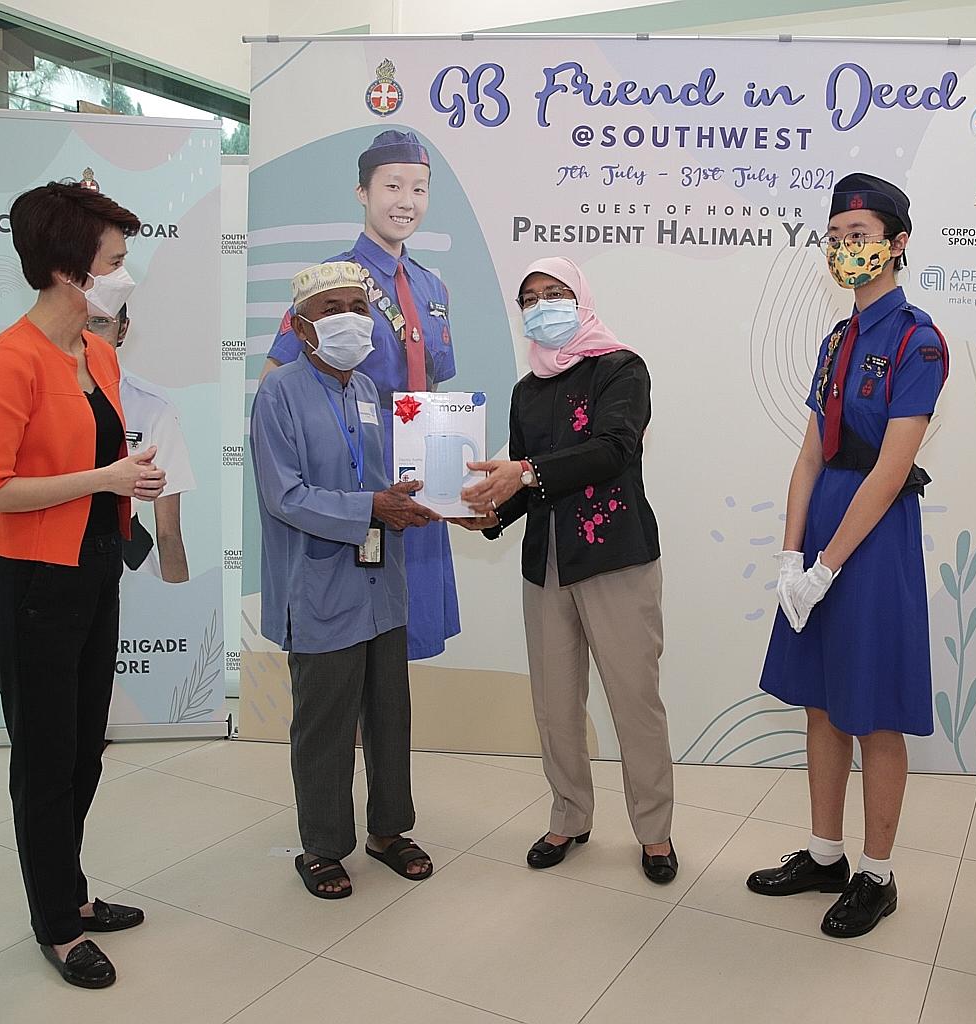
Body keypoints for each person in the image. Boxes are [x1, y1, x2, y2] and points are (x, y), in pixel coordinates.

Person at [0, 182, 165, 989]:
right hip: (30, 587)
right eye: (115, 261)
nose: (125, 273)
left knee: (84, 751)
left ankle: (70, 894)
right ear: (67, 270)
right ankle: (56, 924)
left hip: (92, 574)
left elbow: (104, 461)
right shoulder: (10, 358)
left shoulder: (102, 353)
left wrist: (127, 482)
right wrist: (104, 476)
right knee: (45, 762)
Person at [744, 174, 948, 939]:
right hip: (824, 521)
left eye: (859, 236)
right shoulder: (837, 338)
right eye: (835, 238)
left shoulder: (916, 338)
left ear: (896, 244)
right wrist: (792, 555)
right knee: (821, 701)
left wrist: (830, 562)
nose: (845, 249)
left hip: (872, 534)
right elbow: (807, 457)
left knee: (873, 710)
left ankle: (877, 874)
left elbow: (892, 468)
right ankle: (825, 853)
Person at [458, 256, 677, 883]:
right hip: (547, 561)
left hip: (614, 554)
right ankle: (570, 815)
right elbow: (526, 480)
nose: (543, 305)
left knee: (634, 701)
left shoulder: (621, 368)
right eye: (530, 298)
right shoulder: (527, 390)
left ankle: (655, 832)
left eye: (556, 292)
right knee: (555, 704)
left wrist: (523, 473)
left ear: (580, 298)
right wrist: (492, 516)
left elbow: (614, 449)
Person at [250, 260, 440, 900]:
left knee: (390, 714)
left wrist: (416, 498)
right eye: (332, 309)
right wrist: (371, 508)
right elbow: (286, 496)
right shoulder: (278, 394)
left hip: (379, 585)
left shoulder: (364, 391)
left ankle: (390, 831)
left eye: (358, 307)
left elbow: (377, 478)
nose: (350, 321)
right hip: (320, 587)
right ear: (301, 327)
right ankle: (323, 848)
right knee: (325, 723)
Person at [261, 129, 459, 661]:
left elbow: (435, 388)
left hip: (417, 483)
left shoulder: (431, 287)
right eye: (393, 186)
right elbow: (276, 379)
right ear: (362, 193)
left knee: (399, 639)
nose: (406, 202)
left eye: (419, 189)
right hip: (354, 489)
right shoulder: (335, 285)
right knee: (345, 639)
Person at [89, 303, 194, 583]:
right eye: (79, 320)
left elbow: (169, 532)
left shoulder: (152, 407)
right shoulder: (37, 401)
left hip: (129, 566)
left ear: (122, 329)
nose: (87, 333)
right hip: (51, 563)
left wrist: (178, 604)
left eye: (100, 322)